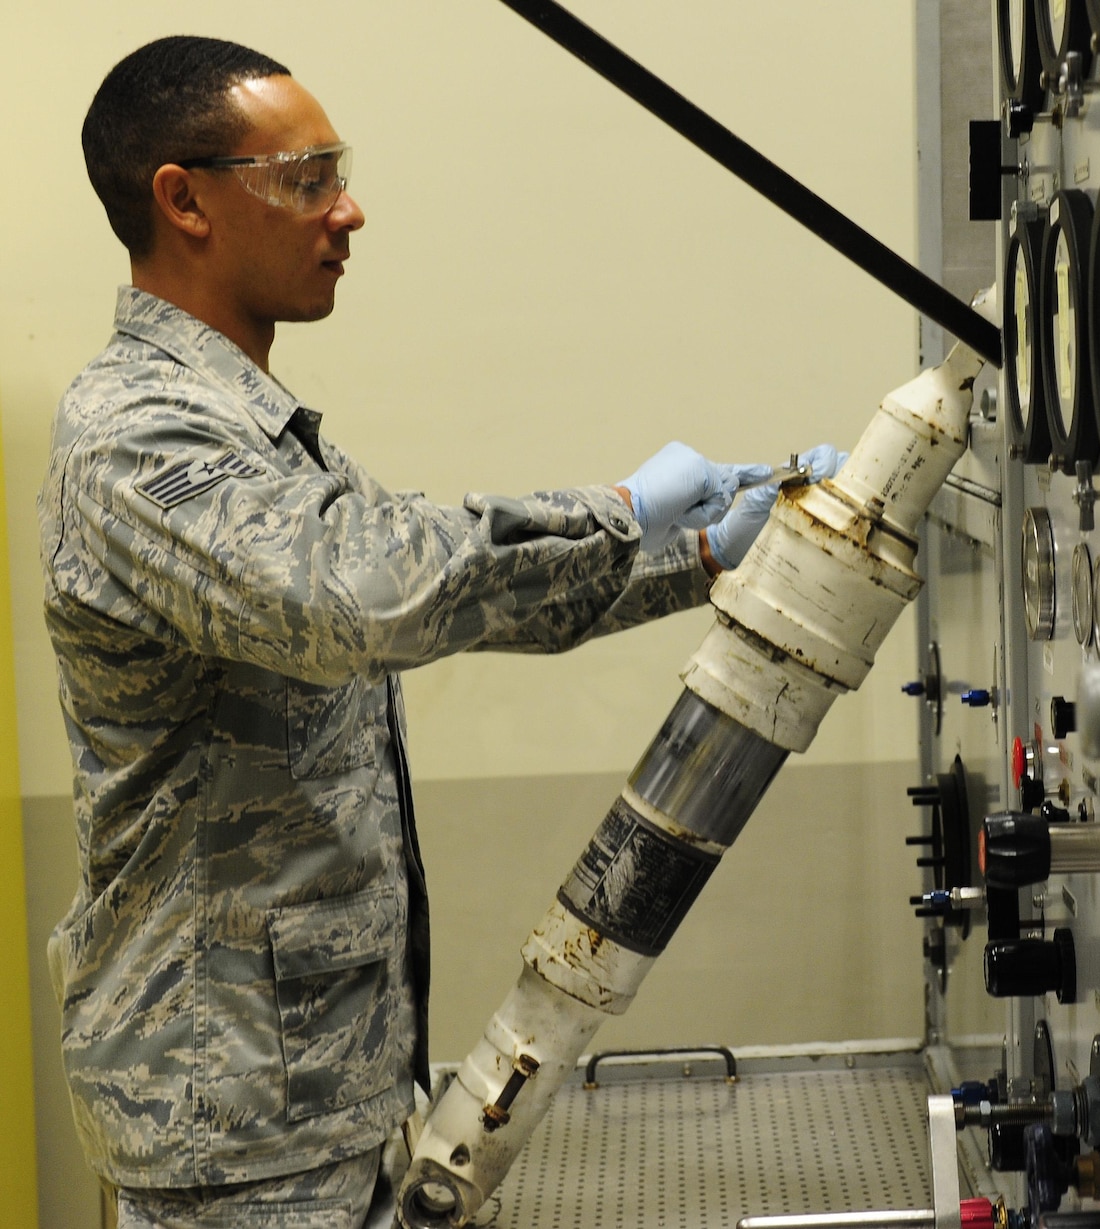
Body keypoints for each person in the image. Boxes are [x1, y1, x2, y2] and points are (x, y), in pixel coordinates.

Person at [42, 35, 838, 1228]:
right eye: (307, 179)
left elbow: (448, 593)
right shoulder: (138, 439)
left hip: (314, 1095)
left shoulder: (255, 436)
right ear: (183, 199)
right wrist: (615, 511)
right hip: (232, 1127)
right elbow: (368, 594)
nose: (347, 210)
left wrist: (714, 551)